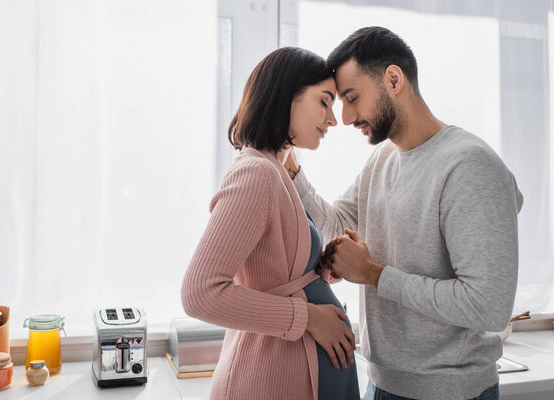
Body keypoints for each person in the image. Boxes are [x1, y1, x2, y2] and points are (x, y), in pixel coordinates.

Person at [284, 27, 523, 400]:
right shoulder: (382, 159)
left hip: (450, 394)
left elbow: (488, 308)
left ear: (393, 79)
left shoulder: (469, 166)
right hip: (381, 384)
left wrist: (372, 274)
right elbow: (334, 227)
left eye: (352, 97)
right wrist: (292, 170)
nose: (345, 118)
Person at [181, 47, 360, 400]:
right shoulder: (256, 174)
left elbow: (271, 275)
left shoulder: (276, 172)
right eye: (324, 102)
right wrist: (308, 317)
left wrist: (319, 270)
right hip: (268, 379)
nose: (333, 119)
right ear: (286, 97)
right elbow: (199, 293)